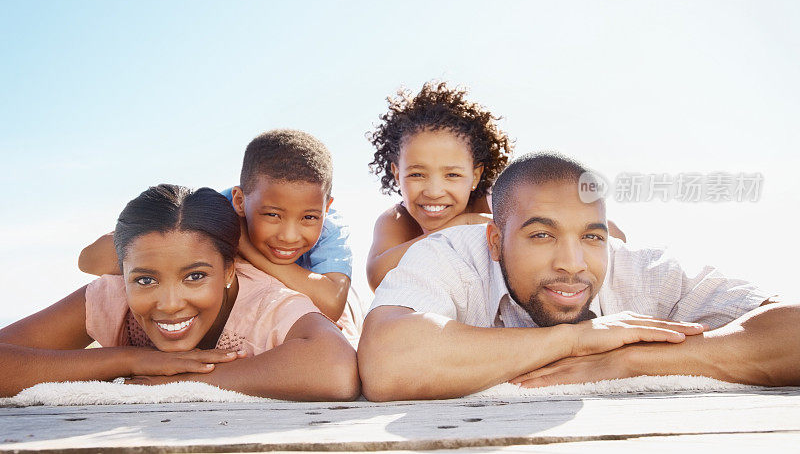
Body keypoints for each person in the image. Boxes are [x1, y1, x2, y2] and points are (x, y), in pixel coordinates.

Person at [358, 152, 799, 401]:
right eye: (542, 234)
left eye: (591, 236)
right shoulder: (450, 256)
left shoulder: (638, 269)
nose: (573, 263)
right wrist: (575, 339)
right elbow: (386, 361)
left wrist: (633, 360)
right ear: (495, 240)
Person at [0, 184, 360, 399]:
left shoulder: (266, 301)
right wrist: (132, 360)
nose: (170, 304)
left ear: (229, 270)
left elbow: (337, 369)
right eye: (145, 280)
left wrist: (181, 379)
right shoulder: (112, 295)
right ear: (122, 272)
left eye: (195, 277)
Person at [79, 129, 358, 337]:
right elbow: (88, 261)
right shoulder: (214, 209)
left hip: (308, 310)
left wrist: (242, 244)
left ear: (326, 207)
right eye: (272, 215)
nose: (289, 235)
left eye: (309, 217)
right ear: (239, 200)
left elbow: (332, 304)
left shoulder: (331, 229)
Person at [365, 81, 513, 290]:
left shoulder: (496, 205)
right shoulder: (397, 221)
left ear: (476, 175)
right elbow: (379, 278)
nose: (434, 192)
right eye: (417, 174)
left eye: (452, 175)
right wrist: (460, 225)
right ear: (397, 175)